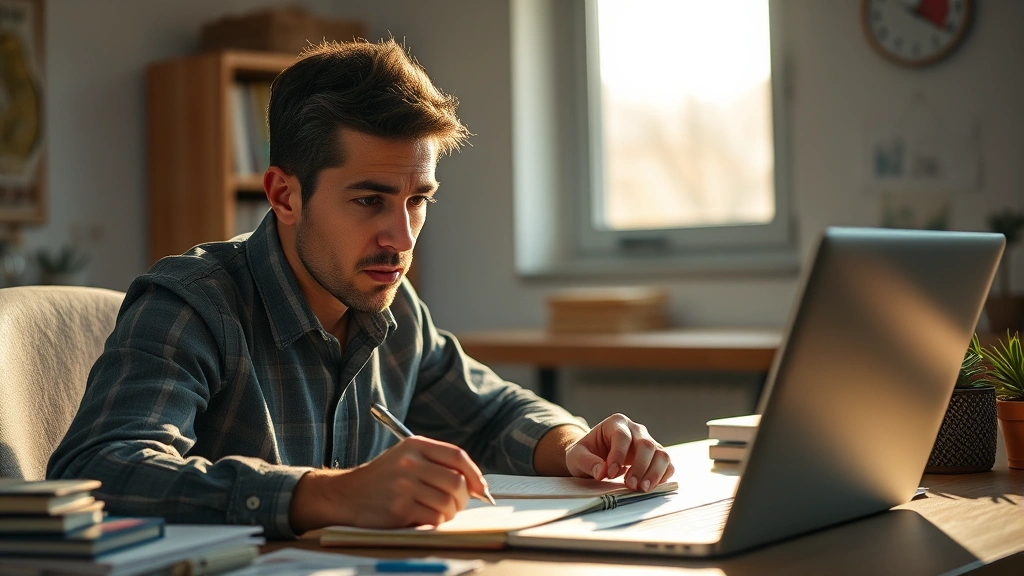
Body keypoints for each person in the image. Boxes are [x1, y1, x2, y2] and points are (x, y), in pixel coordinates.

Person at [47, 40, 674, 539]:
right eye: (369, 199)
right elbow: (96, 472)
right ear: (285, 195)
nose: (401, 238)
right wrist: (328, 494)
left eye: (417, 200)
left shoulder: (394, 307)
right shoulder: (193, 305)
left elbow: (495, 413)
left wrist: (575, 448)